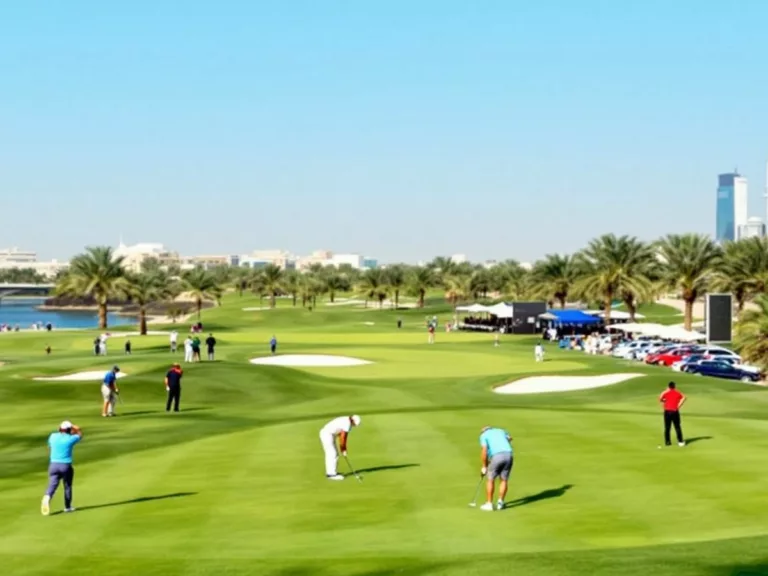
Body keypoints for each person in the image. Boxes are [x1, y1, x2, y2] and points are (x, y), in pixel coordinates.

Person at [41, 420, 82, 516]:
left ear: (60, 429)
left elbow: (50, 446)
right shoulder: (71, 439)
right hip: (65, 466)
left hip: (53, 465)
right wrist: (75, 427)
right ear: (69, 430)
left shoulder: (53, 436)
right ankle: (68, 507)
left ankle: (47, 496)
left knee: (52, 485)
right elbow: (79, 433)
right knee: (67, 486)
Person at [479, 426, 514, 511]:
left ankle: (489, 504)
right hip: (509, 455)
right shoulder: (501, 430)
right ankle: (500, 503)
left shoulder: (484, 435)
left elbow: (484, 451)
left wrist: (484, 466)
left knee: (490, 479)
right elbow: (510, 438)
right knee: (504, 479)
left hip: (497, 456)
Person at [319, 415, 361, 480]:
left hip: (329, 434)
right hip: (327, 434)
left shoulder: (346, 419)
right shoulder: (347, 424)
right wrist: (343, 449)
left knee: (333, 454)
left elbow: (340, 435)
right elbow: (343, 438)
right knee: (332, 454)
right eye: (354, 424)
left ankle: (332, 472)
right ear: (353, 421)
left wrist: (342, 449)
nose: (353, 426)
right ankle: (331, 474)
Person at [660, 381, 686, 446]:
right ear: (674, 386)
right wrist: (679, 405)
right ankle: (680, 442)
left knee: (667, 427)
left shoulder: (665, 392)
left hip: (667, 411)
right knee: (677, 427)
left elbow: (661, 399)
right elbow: (684, 397)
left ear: (668, 386)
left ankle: (667, 442)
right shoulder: (677, 392)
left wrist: (664, 399)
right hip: (675, 411)